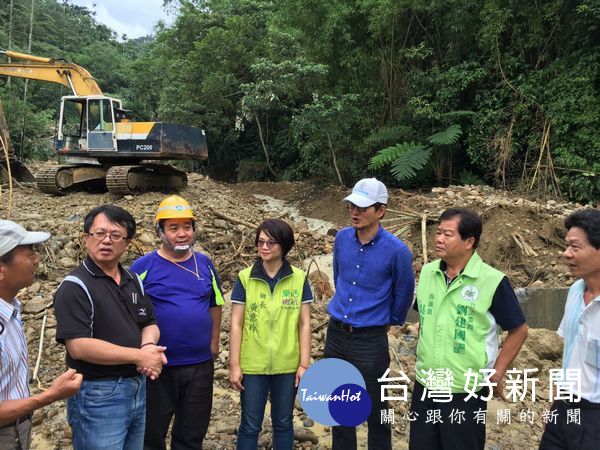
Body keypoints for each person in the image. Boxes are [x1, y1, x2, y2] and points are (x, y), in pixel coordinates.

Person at [409, 208, 528, 450]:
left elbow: (519, 329)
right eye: (438, 232)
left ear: (469, 242)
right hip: (426, 385)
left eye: (448, 234)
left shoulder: (492, 281)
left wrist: (497, 371)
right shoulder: (429, 272)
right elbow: (426, 317)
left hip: (465, 391)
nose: (439, 239)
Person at [54, 205, 166, 450]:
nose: (106, 241)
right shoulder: (74, 286)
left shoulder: (132, 279)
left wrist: (148, 347)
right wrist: (140, 356)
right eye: (99, 234)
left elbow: (149, 322)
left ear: (126, 243)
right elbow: (79, 347)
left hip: (137, 387)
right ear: (86, 238)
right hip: (98, 394)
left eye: (115, 235)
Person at [324, 178, 415, 450]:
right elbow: (339, 275)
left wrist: (390, 321)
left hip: (370, 341)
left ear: (381, 211)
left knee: (377, 411)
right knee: (341, 408)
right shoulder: (341, 238)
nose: (355, 212)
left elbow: (404, 292)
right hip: (336, 334)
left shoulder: (397, 250)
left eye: (363, 207)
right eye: (352, 205)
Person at [130, 195, 224, 449]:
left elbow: (215, 304)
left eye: (187, 227)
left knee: (192, 433)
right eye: (174, 228)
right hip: (158, 367)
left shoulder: (204, 263)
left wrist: (214, 343)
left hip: (200, 365)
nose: (182, 234)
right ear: (160, 231)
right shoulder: (142, 267)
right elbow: (126, 312)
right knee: (151, 433)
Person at [229, 219, 312, 450]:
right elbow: (236, 323)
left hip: (287, 364)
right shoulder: (245, 278)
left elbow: (305, 323)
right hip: (253, 364)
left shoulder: (299, 278)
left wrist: (304, 364)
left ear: (284, 246)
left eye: (271, 243)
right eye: (260, 242)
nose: (264, 247)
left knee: (284, 424)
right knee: (250, 425)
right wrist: (234, 364)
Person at [0, 220, 82, 450]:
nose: (37, 259)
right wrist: (51, 395)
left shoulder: (11, 308)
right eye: (29, 253)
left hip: (18, 429)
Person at [539, 209, 600, 450]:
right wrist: (554, 399)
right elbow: (569, 353)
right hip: (564, 409)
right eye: (566, 246)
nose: (566, 254)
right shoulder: (575, 291)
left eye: (575, 247)